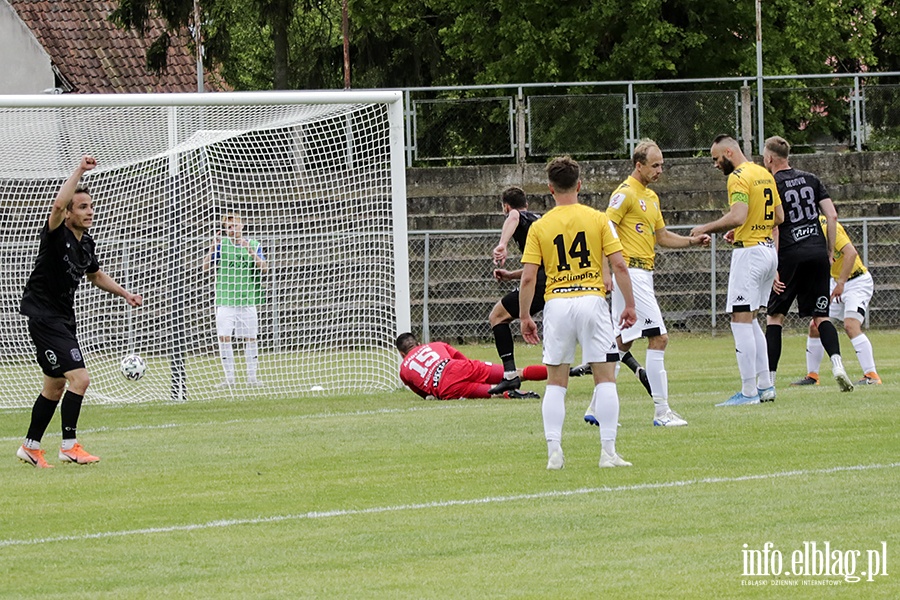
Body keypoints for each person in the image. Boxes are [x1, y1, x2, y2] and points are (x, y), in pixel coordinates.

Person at [17, 155, 143, 468]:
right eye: (82, 207)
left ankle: (30, 447)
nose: (90, 211)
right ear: (70, 212)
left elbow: (95, 275)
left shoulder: (86, 243)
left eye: (90, 206)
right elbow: (58, 206)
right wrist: (79, 170)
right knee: (80, 380)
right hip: (45, 317)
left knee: (55, 386)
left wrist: (124, 293)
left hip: (62, 318)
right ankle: (69, 445)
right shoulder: (56, 233)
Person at [519, 156, 637, 470]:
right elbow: (620, 265)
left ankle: (554, 452)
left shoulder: (540, 226)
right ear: (579, 185)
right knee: (605, 379)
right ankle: (608, 453)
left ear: (550, 188)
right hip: (591, 300)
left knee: (556, 382)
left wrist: (525, 317)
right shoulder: (598, 219)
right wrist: (629, 304)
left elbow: (529, 277)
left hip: (557, 303)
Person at [591, 140, 709, 427]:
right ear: (638, 165)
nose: (660, 170)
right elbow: (604, 230)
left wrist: (692, 241)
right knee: (660, 337)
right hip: (630, 273)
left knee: (624, 341)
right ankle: (662, 411)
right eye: (655, 165)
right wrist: (606, 271)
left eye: (662, 165)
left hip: (643, 273)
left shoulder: (651, 197)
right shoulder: (625, 193)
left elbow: (663, 236)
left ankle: (596, 407)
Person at [690, 135, 784, 406]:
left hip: (750, 254)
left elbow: (739, 214)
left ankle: (748, 392)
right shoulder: (763, 173)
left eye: (716, 159)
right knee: (752, 319)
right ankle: (766, 386)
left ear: (729, 152)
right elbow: (779, 217)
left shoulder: (739, 176)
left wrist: (706, 227)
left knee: (739, 320)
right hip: (768, 250)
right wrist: (743, 227)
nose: (716, 165)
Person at [761, 136, 854, 393]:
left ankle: (769, 380)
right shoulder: (811, 179)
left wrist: (774, 266)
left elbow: (775, 225)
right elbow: (831, 215)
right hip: (816, 251)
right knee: (821, 316)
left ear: (769, 158)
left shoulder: (771, 183)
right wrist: (828, 250)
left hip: (790, 253)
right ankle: (837, 365)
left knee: (775, 317)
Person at [794, 217, 882, 386]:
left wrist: (841, 282)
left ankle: (872, 375)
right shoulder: (804, 227)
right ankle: (812, 376)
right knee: (815, 326)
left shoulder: (827, 226)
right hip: (836, 282)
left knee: (851, 325)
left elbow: (851, 253)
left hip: (856, 281)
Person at [488, 186, 546, 395]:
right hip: (553, 280)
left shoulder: (516, 215)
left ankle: (510, 376)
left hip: (540, 283)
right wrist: (510, 274)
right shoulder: (539, 220)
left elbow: (513, 216)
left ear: (505, 206)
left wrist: (502, 244)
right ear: (527, 204)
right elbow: (539, 265)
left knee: (497, 317)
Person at [203, 212, 268, 387]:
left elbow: (264, 268)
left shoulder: (253, 244)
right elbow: (205, 267)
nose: (232, 230)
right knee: (224, 337)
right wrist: (212, 247)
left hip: (247, 299)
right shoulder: (221, 245)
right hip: (226, 300)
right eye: (229, 227)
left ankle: (252, 378)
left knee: (251, 338)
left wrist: (249, 250)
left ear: (242, 226)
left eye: (235, 226)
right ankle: (229, 378)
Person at [396, 333, 546, 400]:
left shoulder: (403, 369)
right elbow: (462, 358)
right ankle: (561, 373)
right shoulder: (435, 345)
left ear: (403, 354)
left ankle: (508, 394)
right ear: (418, 344)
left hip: (444, 387)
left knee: (493, 392)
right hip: (457, 367)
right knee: (514, 372)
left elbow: (423, 393)